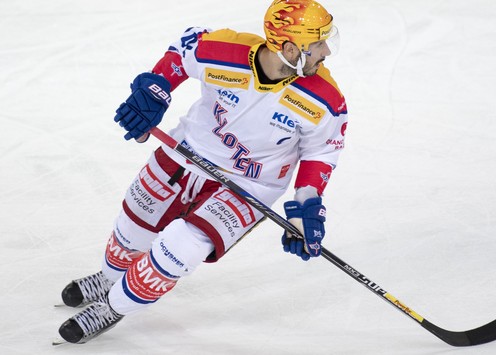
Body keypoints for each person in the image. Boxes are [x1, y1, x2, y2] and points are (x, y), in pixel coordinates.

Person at [57, 0, 348, 344]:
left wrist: (307, 204)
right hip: (187, 152)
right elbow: (183, 51)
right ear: (288, 48)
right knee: (133, 227)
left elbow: (321, 152)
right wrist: (157, 87)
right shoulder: (225, 52)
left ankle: (113, 306)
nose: (326, 51)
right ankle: (108, 277)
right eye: (317, 44)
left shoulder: (325, 100)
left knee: (183, 246)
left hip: (251, 184)